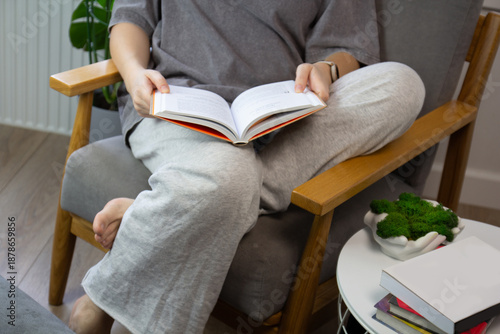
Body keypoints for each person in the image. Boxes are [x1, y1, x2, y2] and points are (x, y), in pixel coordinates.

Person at [68, 1, 425, 333]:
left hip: (286, 118)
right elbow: (130, 18)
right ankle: (191, 203)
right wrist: (133, 75)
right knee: (229, 176)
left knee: (401, 83)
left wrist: (326, 69)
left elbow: (346, 47)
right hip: (176, 105)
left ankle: (170, 205)